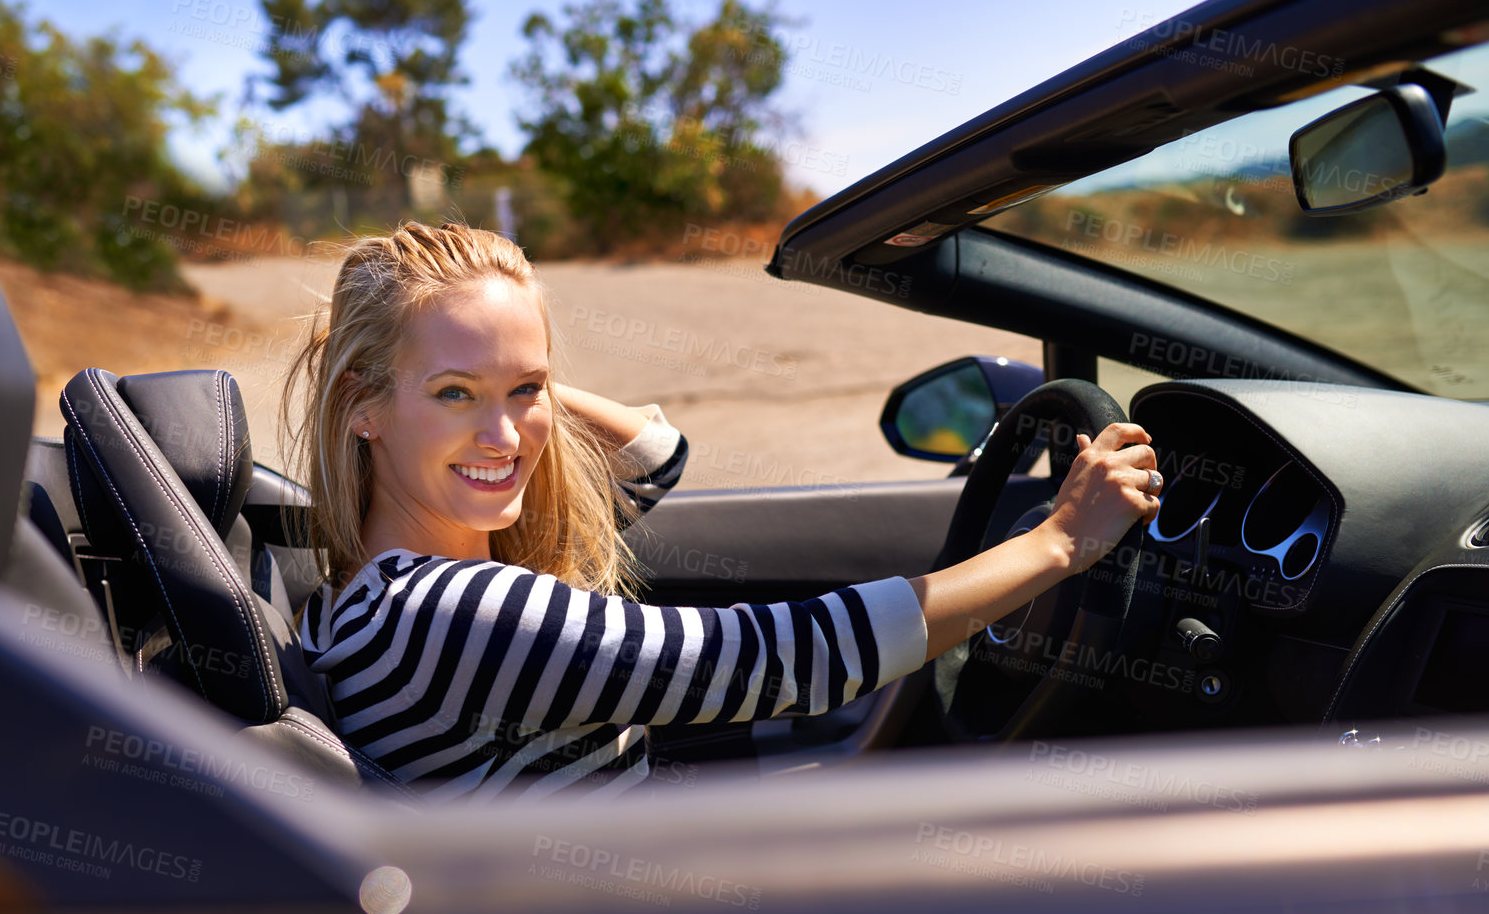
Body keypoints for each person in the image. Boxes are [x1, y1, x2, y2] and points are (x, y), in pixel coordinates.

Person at [284, 222, 1160, 802]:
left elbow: (655, 459)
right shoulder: (445, 613)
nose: (505, 434)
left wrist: (494, 371)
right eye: (452, 394)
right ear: (361, 405)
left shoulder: (372, 596)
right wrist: (1056, 543)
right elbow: (776, 660)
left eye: (527, 389)